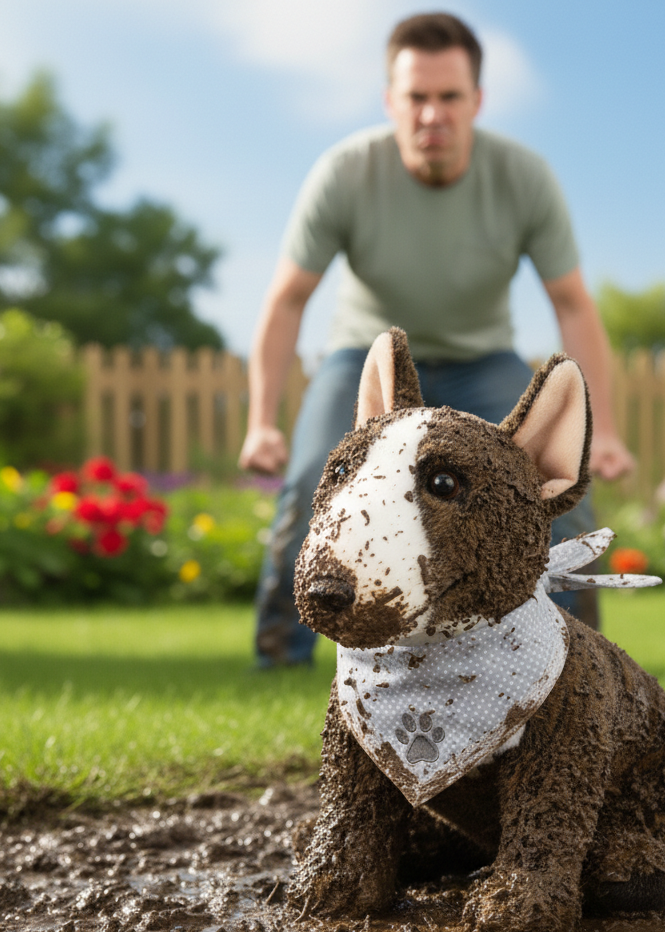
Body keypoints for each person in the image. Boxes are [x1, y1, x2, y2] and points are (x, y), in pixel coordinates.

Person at [239, 12, 634, 667]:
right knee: (313, 474)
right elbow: (287, 300)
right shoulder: (345, 173)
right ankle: (279, 653)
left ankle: (576, 663)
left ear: (476, 100)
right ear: (390, 101)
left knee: (553, 489)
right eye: (416, 96)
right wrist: (260, 422)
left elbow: (573, 304)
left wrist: (608, 432)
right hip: (367, 359)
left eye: (449, 96)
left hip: (482, 361)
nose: (432, 114)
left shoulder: (523, 178)